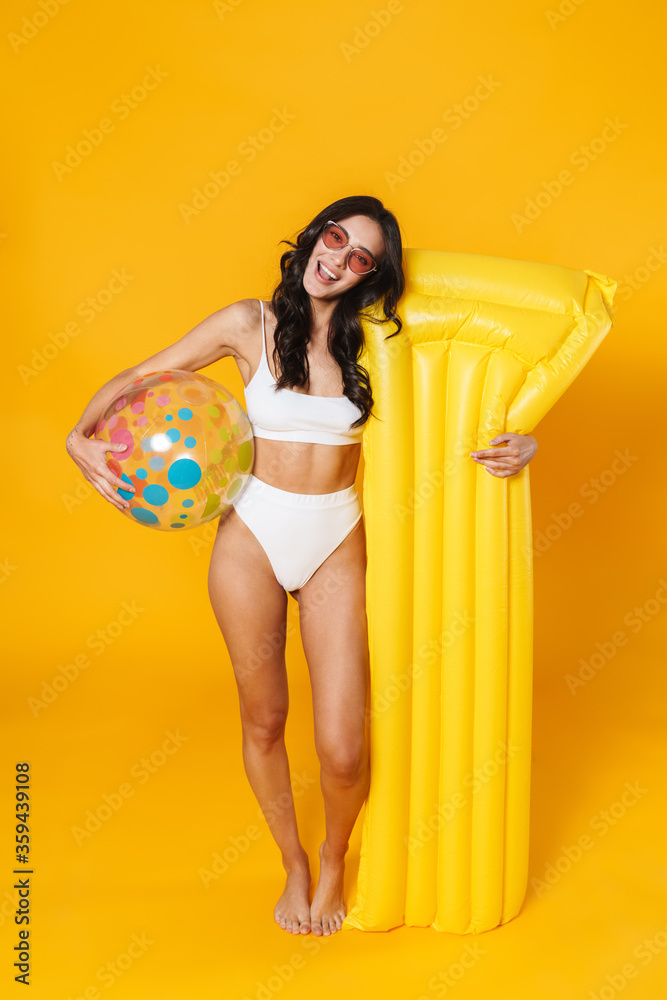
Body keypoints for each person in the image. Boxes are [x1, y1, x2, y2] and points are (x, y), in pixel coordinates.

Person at [65, 195, 538, 938]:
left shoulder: (379, 344)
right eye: (335, 237)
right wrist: (77, 437)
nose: (337, 259)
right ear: (315, 235)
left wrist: (524, 440)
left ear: (369, 276)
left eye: (360, 257)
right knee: (265, 717)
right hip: (250, 536)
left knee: (343, 748)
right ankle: (291, 863)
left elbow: (462, 403)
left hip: (333, 544)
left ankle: (332, 856)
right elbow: (139, 376)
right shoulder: (245, 324)